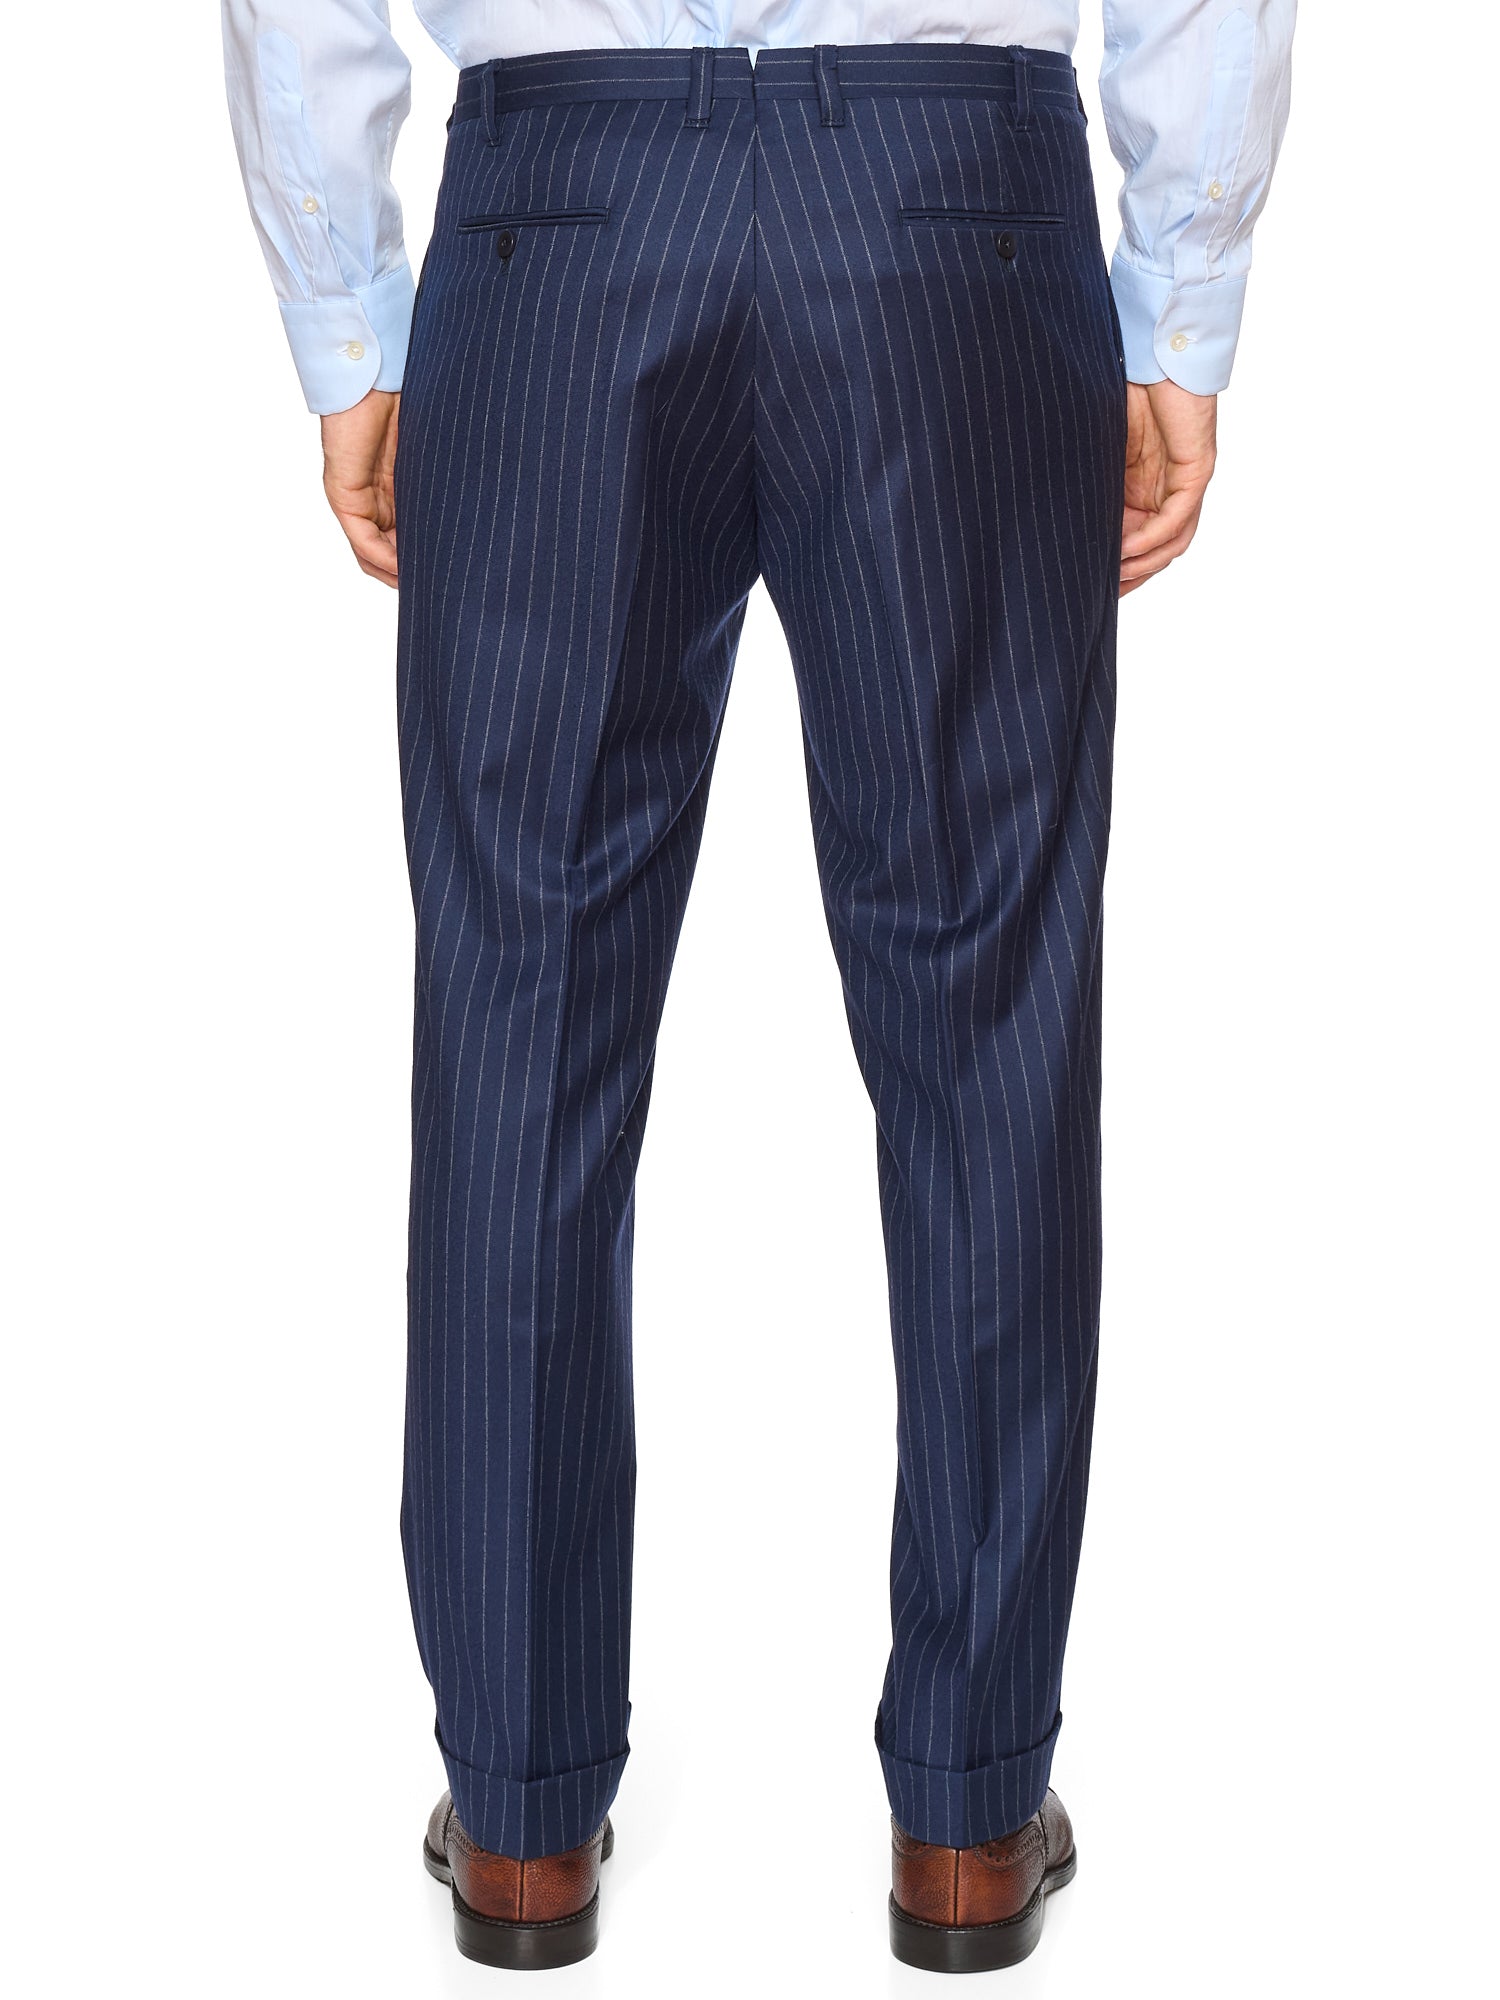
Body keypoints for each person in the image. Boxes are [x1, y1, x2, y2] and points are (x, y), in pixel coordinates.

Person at [223, 1, 1294, 1973]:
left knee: (522, 1013)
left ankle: (523, 1817)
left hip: (561, 216)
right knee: (987, 1013)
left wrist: (347, 322)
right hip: (953, 215)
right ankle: (968, 1812)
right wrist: (1184, 301)